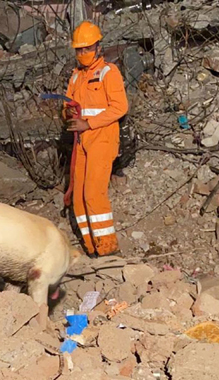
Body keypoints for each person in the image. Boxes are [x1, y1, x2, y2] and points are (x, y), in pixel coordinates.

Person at [64, 21, 129, 257]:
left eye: (87, 48)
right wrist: (67, 113)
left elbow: (120, 107)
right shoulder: (75, 77)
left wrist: (88, 123)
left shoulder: (108, 73)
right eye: (79, 50)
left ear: (98, 47)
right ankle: (92, 248)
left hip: (102, 138)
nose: (83, 54)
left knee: (93, 194)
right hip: (81, 141)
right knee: (79, 197)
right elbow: (67, 104)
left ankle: (108, 251)